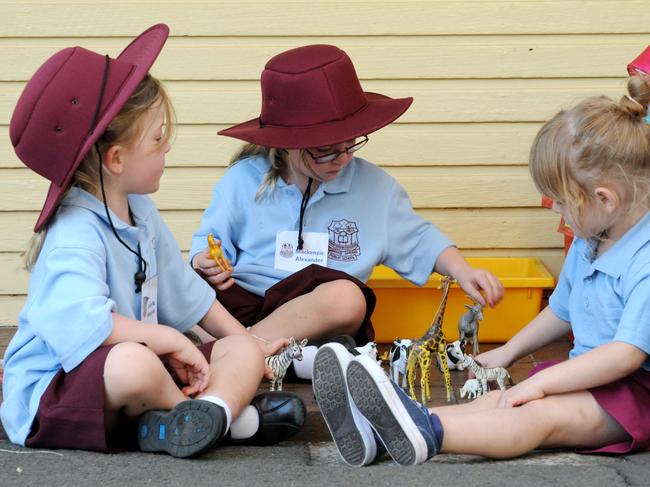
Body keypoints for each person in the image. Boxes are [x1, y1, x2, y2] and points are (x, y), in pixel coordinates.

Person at [0, 24, 304, 458]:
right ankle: (218, 419)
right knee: (133, 362)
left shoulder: (141, 211)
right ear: (116, 159)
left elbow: (189, 296)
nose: (167, 151)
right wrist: (174, 341)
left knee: (237, 349)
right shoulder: (74, 232)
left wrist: (251, 344)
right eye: (158, 140)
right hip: (60, 392)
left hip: (144, 376)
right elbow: (88, 326)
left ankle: (205, 416)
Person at [314, 81, 650, 466]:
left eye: (559, 201)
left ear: (605, 199)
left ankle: (431, 434)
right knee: (497, 401)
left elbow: (625, 356)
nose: (554, 209)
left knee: (537, 417)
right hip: (588, 379)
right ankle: (393, 426)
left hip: (636, 394)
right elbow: (562, 311)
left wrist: (541, 381)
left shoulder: (645, 260)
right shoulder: (592, 240)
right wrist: (509, 351)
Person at [189, 44, 504, 380]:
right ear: (286, 142)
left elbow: (419, 238)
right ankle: (275, 358)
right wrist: (203, 261)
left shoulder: (375, 189)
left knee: (347, 298)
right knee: (181, 291)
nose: (342, 157)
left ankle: (233, 356)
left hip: (318, 312)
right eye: (326, 150)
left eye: (351, 142)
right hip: (244, 306)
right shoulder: (242, 179)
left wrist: (463, 270)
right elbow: (210, 243)